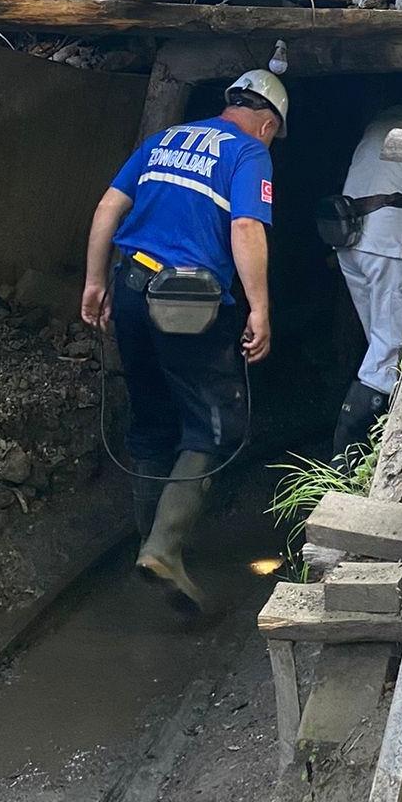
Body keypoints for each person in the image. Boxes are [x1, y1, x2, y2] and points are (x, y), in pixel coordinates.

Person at [80, 67, 287, 609]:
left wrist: (95, 281)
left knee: (151, 419)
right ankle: (164, 550)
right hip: (188, 304)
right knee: (215, 426)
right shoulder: (249, 153)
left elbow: (108, 207)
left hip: (129, 285)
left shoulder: (163, 139)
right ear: (267, 125)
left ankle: (149, 544)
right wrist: (260, 307)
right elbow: (246, 226)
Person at [329, 105, 402, 466]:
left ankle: (356, 453)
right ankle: (349, 457)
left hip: (348, 237)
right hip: (387, 239)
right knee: (389, 351)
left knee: (378, 344)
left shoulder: (378, 122)